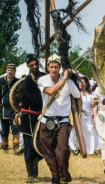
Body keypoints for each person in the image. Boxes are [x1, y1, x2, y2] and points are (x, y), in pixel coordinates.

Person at [37, 55, 81, 184]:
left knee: (61, 151)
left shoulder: (69, 83)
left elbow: (78, 97)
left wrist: (78, 115)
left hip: (63, 121)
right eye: (51, 67)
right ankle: (55, 178)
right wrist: (65, 78)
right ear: (47, 68)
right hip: (46, 120)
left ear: (59, 67)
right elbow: (50, 91)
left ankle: (64, 172)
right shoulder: (42, 80)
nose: (54, 69)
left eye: (56, 67)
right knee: (48, 152)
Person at [21, 54, 45, 183]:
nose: (35, 67)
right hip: (28, 116)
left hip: (42, 116)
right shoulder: (27, 82)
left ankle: (36, 161)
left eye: (36, 64)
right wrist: (47, 92)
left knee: (43, 143)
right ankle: (30, 174)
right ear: (28, 67)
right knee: (29, 145)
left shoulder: (45, 76)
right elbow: (36, 99)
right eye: (32, 65)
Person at [0, 63, 20, 154]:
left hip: (14, 109)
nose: (10, 72)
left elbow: (21, 95)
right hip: (3, 108)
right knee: (5, 129)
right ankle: (5, 147)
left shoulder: (18, 82)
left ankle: (16, 148)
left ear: (15, 71)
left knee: (15, 128)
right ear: (6, 71)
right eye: (8, 70)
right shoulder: (0, 82)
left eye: (12, 70)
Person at [92, 86, 105, 175]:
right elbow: (93, 104)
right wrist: (95, 115)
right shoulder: (98, 89)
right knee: (103, 140)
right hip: (101, 117)